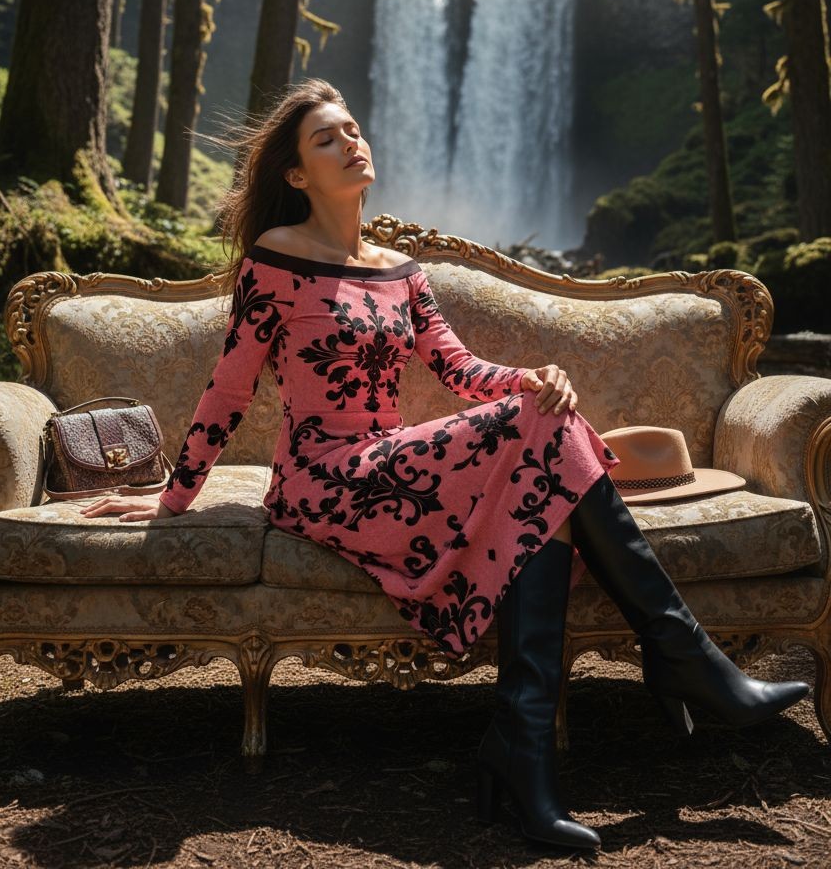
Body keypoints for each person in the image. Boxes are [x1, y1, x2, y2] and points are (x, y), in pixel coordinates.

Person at [82, 78, 809, 853]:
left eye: (353, 129)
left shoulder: (401, 270)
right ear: (295, 175)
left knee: (543, 443)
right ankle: (680, 660)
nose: (351, 142)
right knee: (542, 454)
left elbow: (462, 371)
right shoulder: (275, 262)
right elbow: (228, 391)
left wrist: (534, 379)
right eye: (326, 138)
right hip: (322, 481)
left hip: (386, 467)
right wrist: (173, 497)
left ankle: (527, 755)